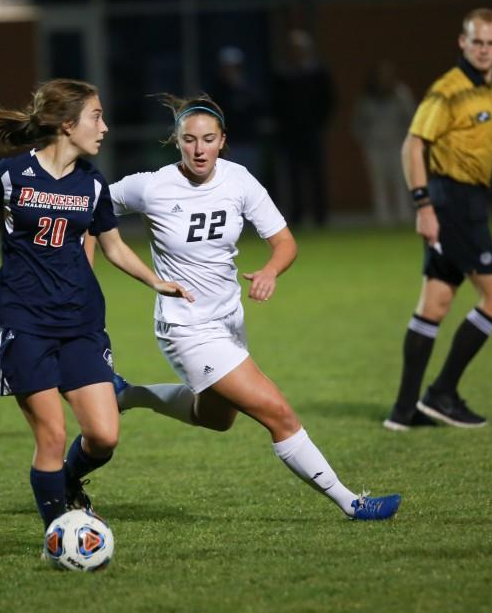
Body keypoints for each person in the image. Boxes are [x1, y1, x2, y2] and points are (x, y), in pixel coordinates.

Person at [86, 93, 401, 520]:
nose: (199, 149)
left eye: (208, 139)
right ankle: (352, 503)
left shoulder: (239, 180)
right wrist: (81, 260)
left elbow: (285, 242)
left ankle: (127, 394)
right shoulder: (152, 185)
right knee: (279, 413)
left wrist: (271, 271)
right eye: (190, 140)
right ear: (176, 141)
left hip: (229, 321)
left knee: (216, 418)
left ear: (222, 141)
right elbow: (87, 204)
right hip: (188, 327)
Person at [0, 79, 193, 536]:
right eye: (96, 117)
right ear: (66, 124)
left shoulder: (92, 183)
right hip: (24, 322)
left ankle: (69, 485)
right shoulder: (12, 174)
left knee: (104, 434)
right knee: (53, 437)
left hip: (81, 323)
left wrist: (156, 281)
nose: (105, 127)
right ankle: (58, 533)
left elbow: (113, 247)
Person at [384, 8, 492, 432]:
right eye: (476, 42)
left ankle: (404, 411)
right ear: (462, 43)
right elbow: (413, 146)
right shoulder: (448, 90)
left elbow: (467, 138)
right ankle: (442, 393)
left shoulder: (484, 86)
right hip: (452, 205)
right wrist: (424, 206)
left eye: (490, 43)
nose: (483, 50)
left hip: (465, 199)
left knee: (436, 303)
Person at [273, 30, 335, 227]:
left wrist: (319, 123)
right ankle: (297, 216)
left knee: (317, 175)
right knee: (293, 177)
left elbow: (329, 101)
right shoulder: (283, 76)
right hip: (291, 134)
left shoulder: (319, 74)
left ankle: (320, 217)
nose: (297, 53)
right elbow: (277, 105)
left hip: (313, 132)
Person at [352, 60, 417, 225]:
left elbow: (412, 118)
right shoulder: (367, 98)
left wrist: (408, 140)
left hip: (398, 144)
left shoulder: (401, 94)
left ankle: (404, 215)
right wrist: (366, 139)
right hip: (374, 146)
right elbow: (358, 123)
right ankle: (383, 217)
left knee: (400, 180)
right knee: (379, 182)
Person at [209, 46, 267, 182]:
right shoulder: (217, 91)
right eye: (227, 68)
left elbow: (257, 111)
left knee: (250, 179)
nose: (230, 71)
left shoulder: (250, 88)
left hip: (249, 141)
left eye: (234, 67)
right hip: (229, 143)